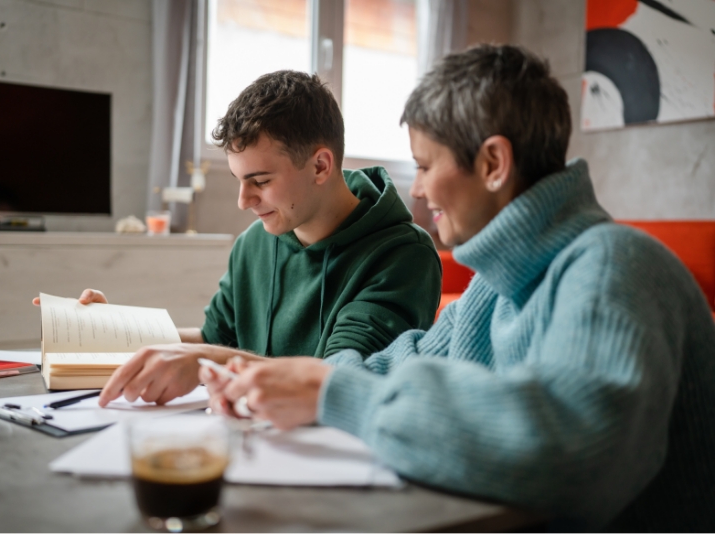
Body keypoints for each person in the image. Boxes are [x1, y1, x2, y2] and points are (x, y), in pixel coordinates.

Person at [202, 45, 715, 531]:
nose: (418, 189)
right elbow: (406, 359)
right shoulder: (496, 285)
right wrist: (294, 383)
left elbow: (570, 457)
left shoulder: (611, 265)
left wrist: (330, 392)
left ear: (493, 164)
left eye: (425, 166)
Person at [35, 70, 442, 407]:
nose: (243, 201)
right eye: (238, 180)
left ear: (320, 165)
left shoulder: (403, 255)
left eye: (260, 181)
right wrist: (118, 330)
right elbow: (215, 340)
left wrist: (204, 361)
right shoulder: (254, 242)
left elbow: (334, 381)